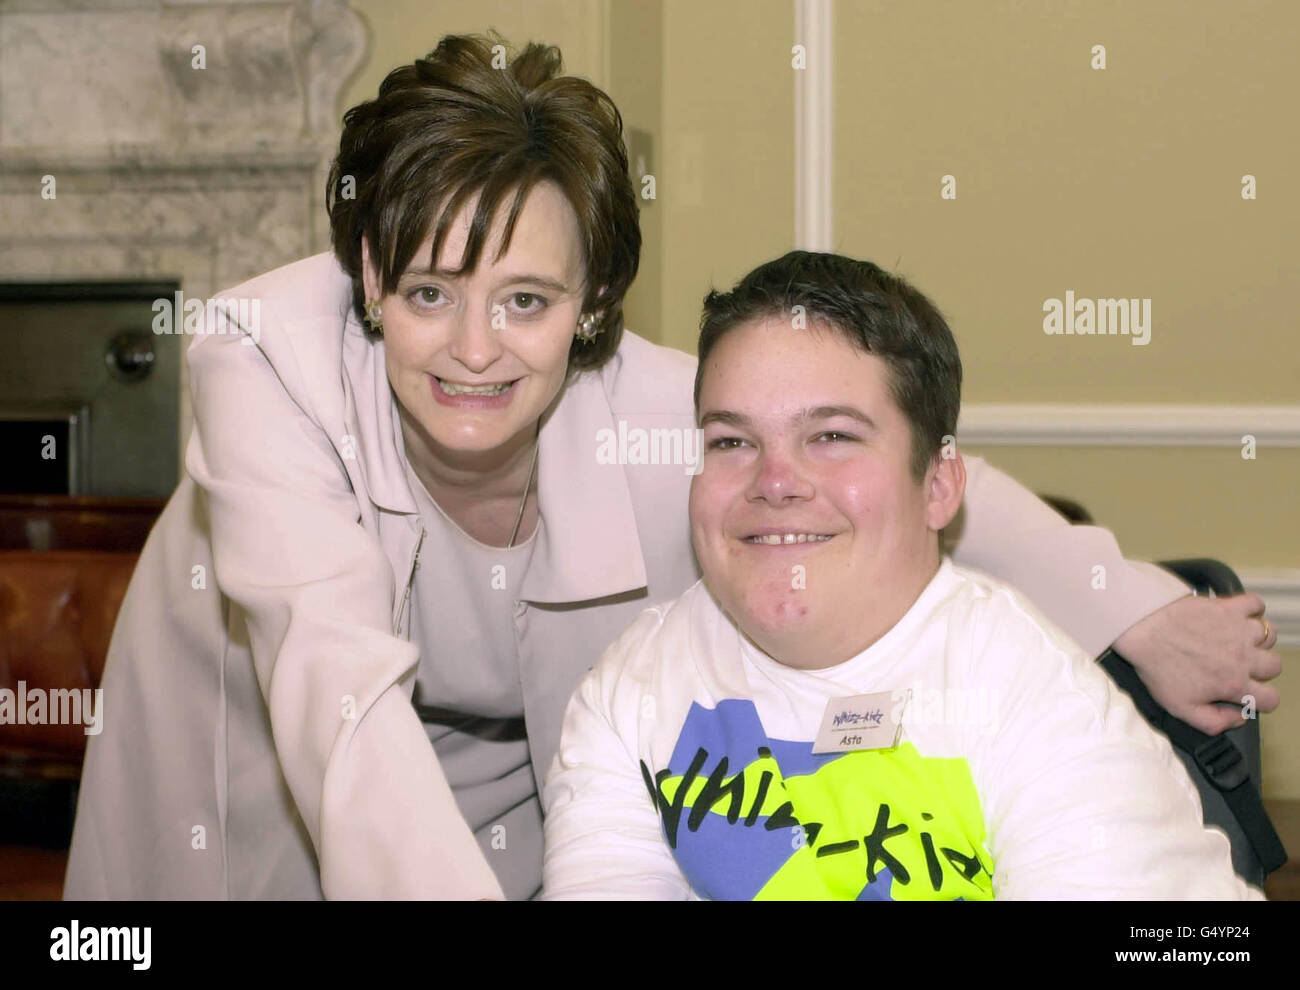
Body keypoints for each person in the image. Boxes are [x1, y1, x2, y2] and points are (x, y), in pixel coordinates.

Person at [64, 34, 1278, 901]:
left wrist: (1136, 607)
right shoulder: (262, 364)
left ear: (590, 304)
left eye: (526, 298)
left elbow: (885, 464)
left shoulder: (650, 407)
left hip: (510, 807)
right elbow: (338, 706)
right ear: (371, 280)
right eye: (429, 290)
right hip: (262, 764)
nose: (475, 349)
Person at [541, 252, 1264, 900]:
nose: (775, 481)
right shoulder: (634, 687)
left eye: (831, 437)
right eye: (732, 440)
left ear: (940, 485)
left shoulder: (1037, 703)